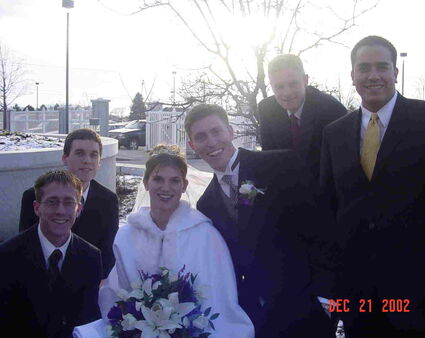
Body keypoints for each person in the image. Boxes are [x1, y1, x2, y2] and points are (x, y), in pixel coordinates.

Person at [320, 35, 425, 337]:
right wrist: (331, 287)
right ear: (352, 75)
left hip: (417, 293)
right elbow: (329, 213)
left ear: (395, 72)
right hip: (356, 294)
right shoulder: (334, 133)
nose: (373, 75)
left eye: (382, 67)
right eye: (363, 68)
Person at [185, 103, 335, 337]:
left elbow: (321, 228)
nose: (211, 142)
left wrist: (327, 298)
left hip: (308, 308)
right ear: (192, 145)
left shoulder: (280, 164)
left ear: (231, 132)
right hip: (257, 318)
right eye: (201, 137)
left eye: (216, 131)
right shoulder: (207, 204)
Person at [73, 145, 254, 338]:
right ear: (145, 183)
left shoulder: (206, 236)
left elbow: (219, 298)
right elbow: (118, 293)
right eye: (158, 179)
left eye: (174, 181)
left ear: (184, 185)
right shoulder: (127, 236)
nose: (165, 188)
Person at [0, 170, 102, 338]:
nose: (60, 211)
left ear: (78, 209)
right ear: (37, 208)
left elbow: (87, 319)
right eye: (52, 202)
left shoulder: (90, 257)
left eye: (69, 202)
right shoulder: (8, 255)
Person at [19, 128, 119, 278]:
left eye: (94, 155)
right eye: (79, 153)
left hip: (87, 285)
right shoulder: (33, 196)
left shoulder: (108, 201)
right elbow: (26, 248)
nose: (87, 160)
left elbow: (107, 252)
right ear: (65, 158)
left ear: (99, 162)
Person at [258, 54, 347, 180]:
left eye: (293, 84)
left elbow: (339, 164)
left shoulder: (331, 110)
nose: (287, 93)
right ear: (271, 85)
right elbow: (269, 158)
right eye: (279, 87)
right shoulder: (266, 109)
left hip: (324, 186)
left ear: (305, 80)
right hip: (286, 186)